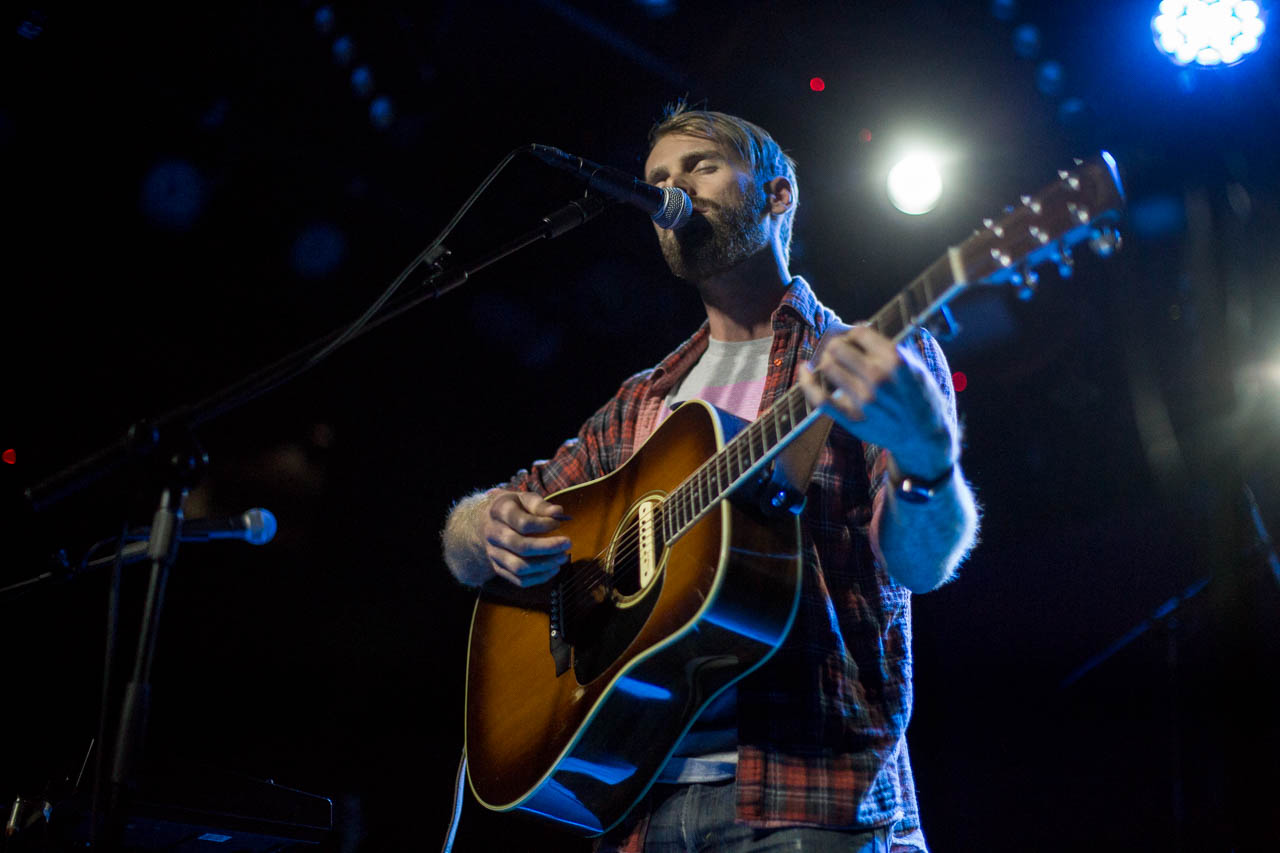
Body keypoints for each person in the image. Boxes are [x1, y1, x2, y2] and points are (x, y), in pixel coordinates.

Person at [441, 104, 979, 852]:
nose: (672, 188)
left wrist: (928, 456)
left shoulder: (866, 360)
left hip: (809, 792)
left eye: (700, 166)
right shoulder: (645, 398)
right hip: (634, 797)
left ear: (777, 194)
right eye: (658, 178)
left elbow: (924, 564)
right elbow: (485, 527)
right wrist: (485, 527)